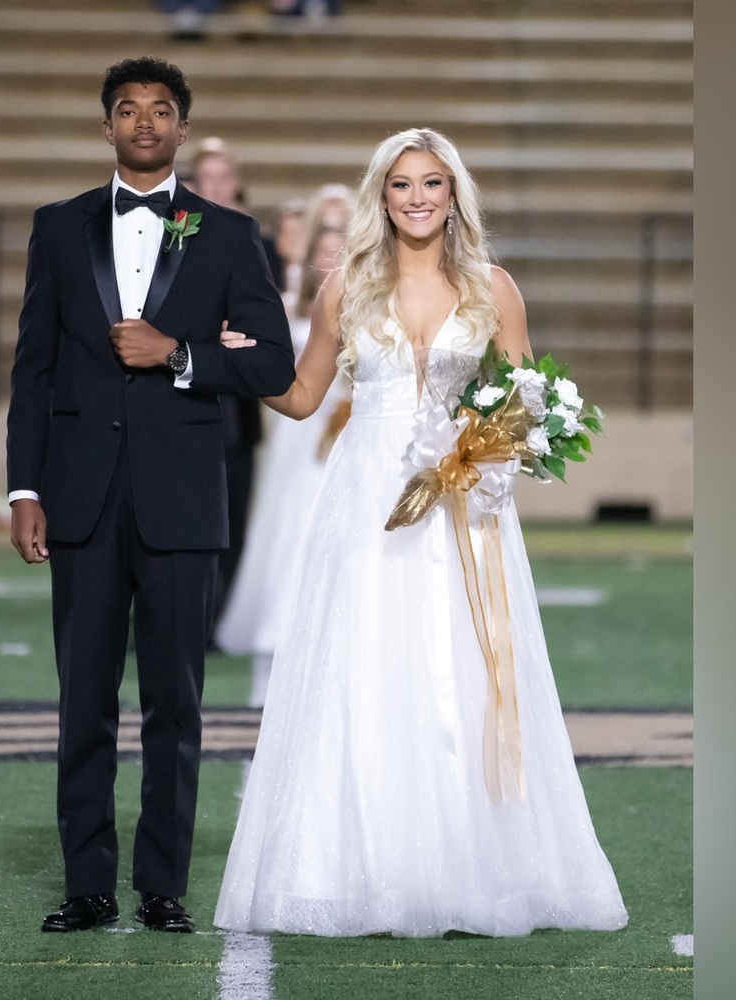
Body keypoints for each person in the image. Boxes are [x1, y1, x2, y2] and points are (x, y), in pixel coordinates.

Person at [213, 128, 628, 937]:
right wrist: (238, 362)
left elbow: (526, 398)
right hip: (367, 498)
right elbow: (301, 398)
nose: (416, 198)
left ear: (453, 195)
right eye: (401, 184)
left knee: (462, 668)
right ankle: (360, 873)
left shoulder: (494, 287)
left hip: (465, 507)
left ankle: (475, 872)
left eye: (432, 183)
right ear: (382, 195)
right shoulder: (345, 286)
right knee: (364, 664)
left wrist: (487, 448)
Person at [6, 56, 295, 935]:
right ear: (107, 126)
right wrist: (25, 487)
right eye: (128, 109)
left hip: (182, 499)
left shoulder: (230, 233)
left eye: (160, 110)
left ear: (181, 127)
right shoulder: (58, 227)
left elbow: (272, 365)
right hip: (80, 499)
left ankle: (162, 886)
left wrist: (177, 354)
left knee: (176, 704)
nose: (143, 122)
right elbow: (33, 368)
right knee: (83, 701)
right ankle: (87, 886)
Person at [215, 187, 355, 704]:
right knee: (290, 517)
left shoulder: (365, 291)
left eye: (343, 230)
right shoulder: (290, 290)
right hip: (298, 426)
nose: (333, 240)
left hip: (348, 423)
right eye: (327, 229)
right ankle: (279, 619)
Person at [187, 136, 284, 624]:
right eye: (207, 177)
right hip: (182, 396)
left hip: (237, 411)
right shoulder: (172, 236)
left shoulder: (259, 246)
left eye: (224, 177)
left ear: (238, 184)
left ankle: (218, 618)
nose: (216, 186)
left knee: (232, 516)